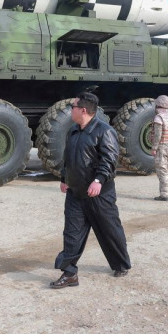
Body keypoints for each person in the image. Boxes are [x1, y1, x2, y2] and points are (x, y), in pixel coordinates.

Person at [50, 92, 131, 289]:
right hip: (76, 193)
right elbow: (68, 158)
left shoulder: (104, 131)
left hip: (99, 194)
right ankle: (70, 273)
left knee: (109, 230)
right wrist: (64, 178)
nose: (71, 110)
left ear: (83, 110)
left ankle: (120, 264)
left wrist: (98, 180)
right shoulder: (73, 131)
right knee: (72, 233)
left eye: (74, 107)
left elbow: (110, 160)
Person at [151, 95, 168, 201]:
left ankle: (163, 195)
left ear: (158, 105)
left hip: (162, 147)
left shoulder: (159, 118)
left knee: (162, 171)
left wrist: (154, 147)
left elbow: (157, 135)